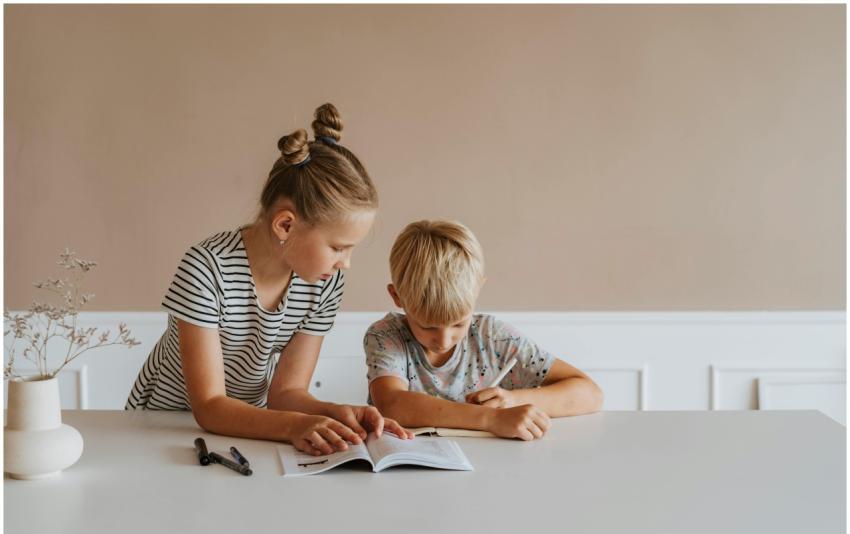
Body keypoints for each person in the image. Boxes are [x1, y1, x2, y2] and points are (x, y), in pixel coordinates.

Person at [126, 103, 411, 456]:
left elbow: (285, 394)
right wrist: (295, 426)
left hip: (247, 428)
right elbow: (210, 405)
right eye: (338, 247)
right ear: (286, 225)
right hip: (161, 428)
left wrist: (338, 413)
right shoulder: (205, 269)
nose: (345, 264)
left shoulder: (324, 283)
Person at [364, 220, 603, 440]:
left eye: (458, 324)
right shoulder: (386, 335)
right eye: (428, 326)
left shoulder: (493, 337)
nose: (444, 340)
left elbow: (591, 395)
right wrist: (491, 419)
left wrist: (512, 401)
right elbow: (393, 404)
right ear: (397, 296)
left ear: (477, 290)